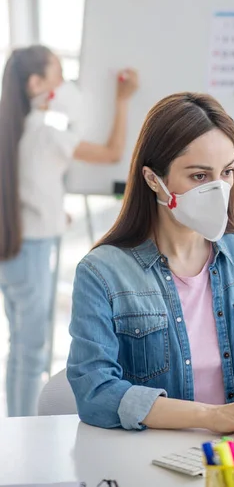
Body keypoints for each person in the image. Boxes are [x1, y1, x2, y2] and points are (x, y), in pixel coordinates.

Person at [67, 92, 234, 436]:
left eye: (226, 171)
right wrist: (209, 416)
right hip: (151, 460)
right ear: (154, 179)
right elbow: (95, 393)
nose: (218, 189)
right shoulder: (102, 273)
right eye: (199, 176)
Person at [0, 45, 138, 417]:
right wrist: (122, 101)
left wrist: (53, 213)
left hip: (11, 247)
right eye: (58, 74)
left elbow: (25, 187)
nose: (64, 83)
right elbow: (111, 152)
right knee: (31, 353)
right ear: (36, 84)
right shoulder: (46, 134)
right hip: (30, 249)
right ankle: (22, 438)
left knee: (20, 349)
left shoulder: (12, 130)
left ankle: (15, 427)